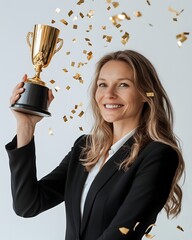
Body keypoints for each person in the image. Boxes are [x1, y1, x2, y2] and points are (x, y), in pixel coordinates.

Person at [6, 50, 185, 240]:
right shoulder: (85, 147)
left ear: (145, 94)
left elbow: (121, 235)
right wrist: (25, 125)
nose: (109, 94)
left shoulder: (158, 155)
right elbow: (28, 205)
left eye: (123, 85)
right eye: (102, 85)